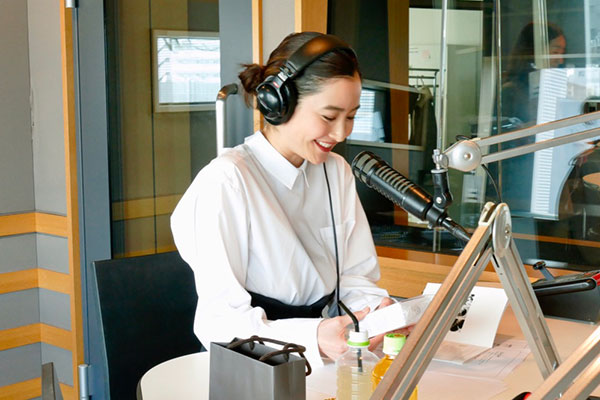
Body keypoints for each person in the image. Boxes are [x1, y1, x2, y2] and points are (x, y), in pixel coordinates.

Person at [171, 32, 399, 367]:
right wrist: (313, 338)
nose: (341, 134)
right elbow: (218, 324)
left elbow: (354, 277)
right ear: (279, 103)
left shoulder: (335, 171)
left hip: (330, 359)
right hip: (256, 366)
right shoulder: (226, 181)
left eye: (351, 116)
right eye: (329, 116)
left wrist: (378, 312)